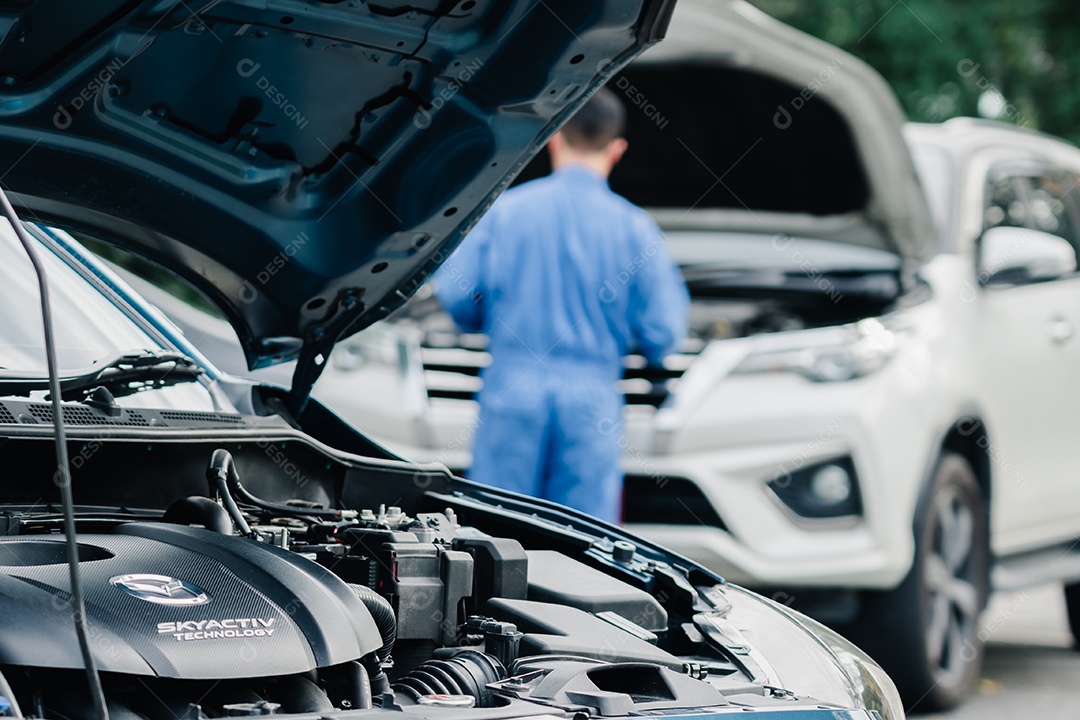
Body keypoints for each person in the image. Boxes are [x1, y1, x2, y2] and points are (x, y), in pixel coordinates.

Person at [434, 87, 689, 523]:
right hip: (591, 404)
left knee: (498, 531)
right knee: (583, 543)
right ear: (617, 149)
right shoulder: (636, 230)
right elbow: (663, 333)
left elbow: (459, 297)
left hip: (512, 391)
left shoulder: (504, 212)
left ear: (554, 138)